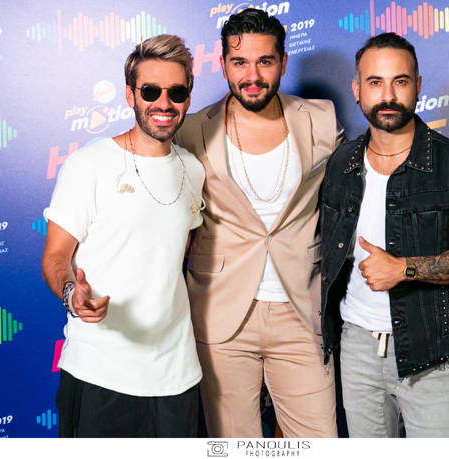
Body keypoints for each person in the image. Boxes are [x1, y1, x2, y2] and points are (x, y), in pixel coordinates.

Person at [319, 33, 449, 438]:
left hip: (433, 352)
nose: (388, 96)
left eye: (400, 81)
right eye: (375, 82)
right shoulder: (342, 163)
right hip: (357, 347)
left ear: (418, 86)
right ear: (357, 89)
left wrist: (403, 269)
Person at [175, 8, 343, 437]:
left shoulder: (321, 118)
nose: (252, 75)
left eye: (265, 61)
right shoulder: (192, 131)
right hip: (220, 313)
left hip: (301, 309)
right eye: (240, 62)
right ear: (222, 64)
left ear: (283, 62)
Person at [40, 34, 205, 437]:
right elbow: (55, 257)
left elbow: (177, 254)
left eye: (176, 92)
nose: (163, 103)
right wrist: (72, 295)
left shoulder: (193, 169)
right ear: (130, 94)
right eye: (150, 91)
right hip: (100, 373)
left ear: (187, 97)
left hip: (177, 376)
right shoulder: (88, 165)